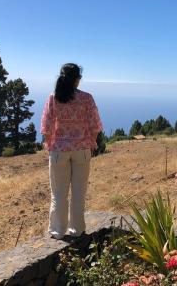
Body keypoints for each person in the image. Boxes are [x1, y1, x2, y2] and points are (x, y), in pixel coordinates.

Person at [41, 63, 103, 239]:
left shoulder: (53, 98)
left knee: (58, 193)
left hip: (59, 150)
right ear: (78, 79)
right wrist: (91, 142)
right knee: (79, 192)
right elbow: (95, 126)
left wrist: (50, 146)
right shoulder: (87, 98)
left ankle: (57, 231)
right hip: (82, 150)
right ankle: (77, 231)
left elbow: (46, 127)